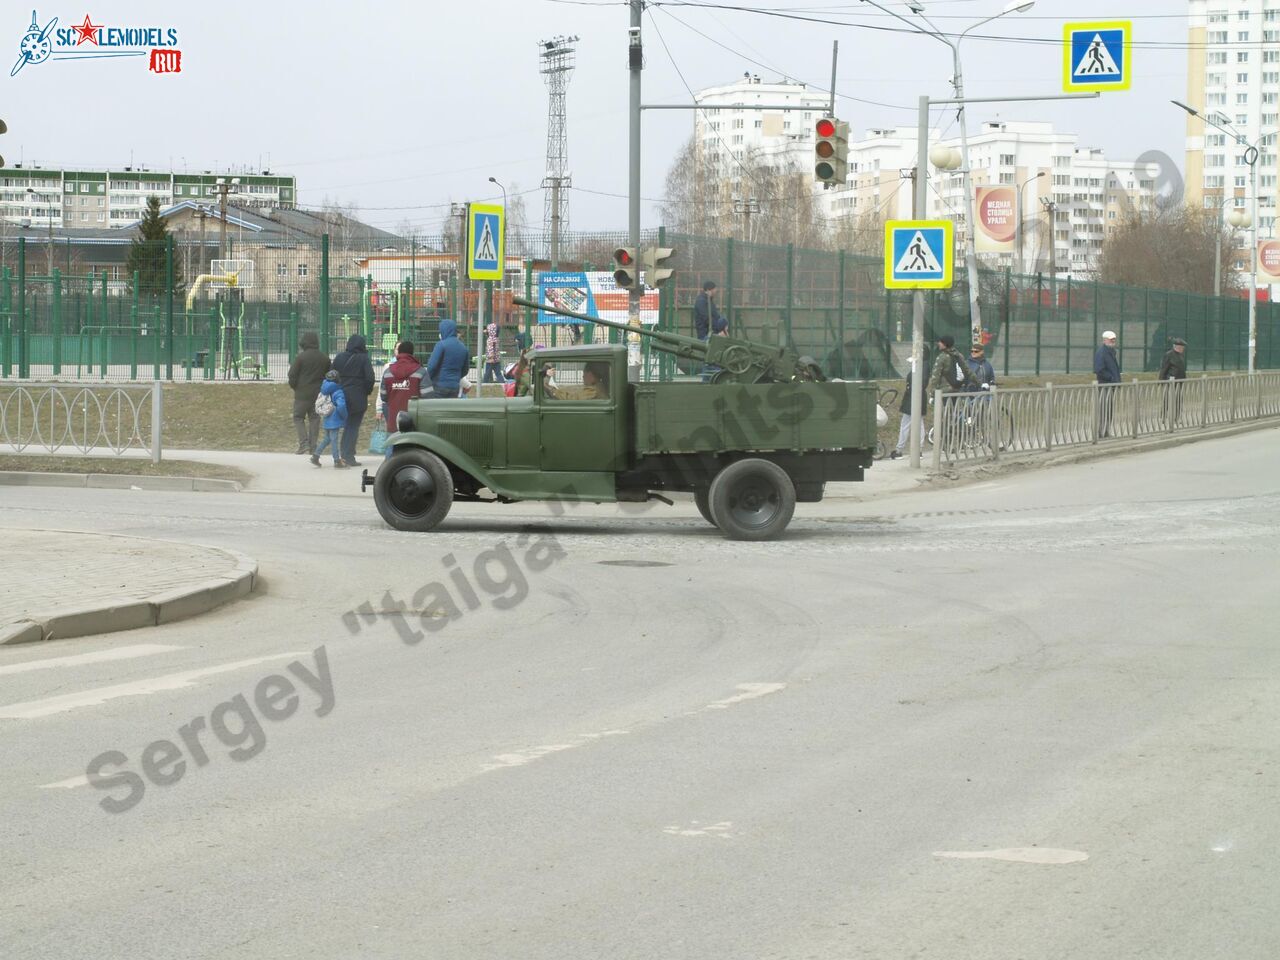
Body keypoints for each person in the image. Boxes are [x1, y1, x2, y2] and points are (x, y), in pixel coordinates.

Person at [330, 333, 374, 467]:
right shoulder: (363, 358)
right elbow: (370, 378)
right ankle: (348, 455)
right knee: (353, 427)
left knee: (341, 426)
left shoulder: (339, 357)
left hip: (340, 396)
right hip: (358, 397)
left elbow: (331, 375)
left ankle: (338, 454)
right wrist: (366, 391)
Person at [286, 331, 329, 455]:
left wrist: (295, 387)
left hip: (302, 393)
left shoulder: (300, 357)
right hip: (318, 394)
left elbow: (292, 375)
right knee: (314, 418)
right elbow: (328, 376)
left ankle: (303, 444)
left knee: (298, 417)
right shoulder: (324, 358)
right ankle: (313, 446)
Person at [380, 340, 431, 431]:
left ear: (398, 352)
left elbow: (383, 396)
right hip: (414, 421)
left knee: (393, 443)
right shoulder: (420, 371)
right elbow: (428, 396)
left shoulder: (388, 372)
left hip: (394, 421)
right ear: (412, 353)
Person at [890, 352, 928, 459]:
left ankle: (900, 449)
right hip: (914, 397)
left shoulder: (922, 366)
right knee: (916, 423)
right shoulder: (921, 366)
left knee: (907, 424)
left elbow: (922, 382)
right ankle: (917, 449)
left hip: (914, 397)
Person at [426, 318, 472, 398]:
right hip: (455, 386)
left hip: (439, 385)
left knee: (438, 409)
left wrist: (430, 379)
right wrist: (456, 377)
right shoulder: (463, 348)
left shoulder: (441, 345)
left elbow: (431, 366)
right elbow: (465, 370)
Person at [311, 371, 348, 468]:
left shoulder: (324, 389)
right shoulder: (338, 391)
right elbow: (341, 406)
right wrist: (345, 416)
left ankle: (315, 456)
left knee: (327, 439)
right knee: (334, 440)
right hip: (335, 419)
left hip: (326, 416)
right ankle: (337, 461)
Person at [1094, 329, 1121, 437]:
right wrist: (1111, 378)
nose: (1113, 342)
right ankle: (1101, 431)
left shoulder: (1110, 352)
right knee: (1104, 409)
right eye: (1111, 340)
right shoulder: (1102, 352)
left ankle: (1106, 431)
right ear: (1105, 340)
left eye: (1114, 340)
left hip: (1110, 385)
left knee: (1108, 409)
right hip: (1104, 384)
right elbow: (1099, 369)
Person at [546, 360, 610, 401]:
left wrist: (553, 391)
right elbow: (577, 394)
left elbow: (572, 399)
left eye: (584, 374)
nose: (583, 376)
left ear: (590, 375)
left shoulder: (593, 391)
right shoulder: (598, 386)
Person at [1159, 337, 1188, 424]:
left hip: (1180, 381)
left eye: (1183, 347)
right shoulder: (1169, 355)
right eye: (1181, 347)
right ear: (1176, 347)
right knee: (1167, 399)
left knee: (1179, 399)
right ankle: (1163, 416)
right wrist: (1162, 380)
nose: (1182, 349)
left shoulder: (1181, 355)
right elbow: (1164, 368)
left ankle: (1177, 417)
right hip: (1170, 381)